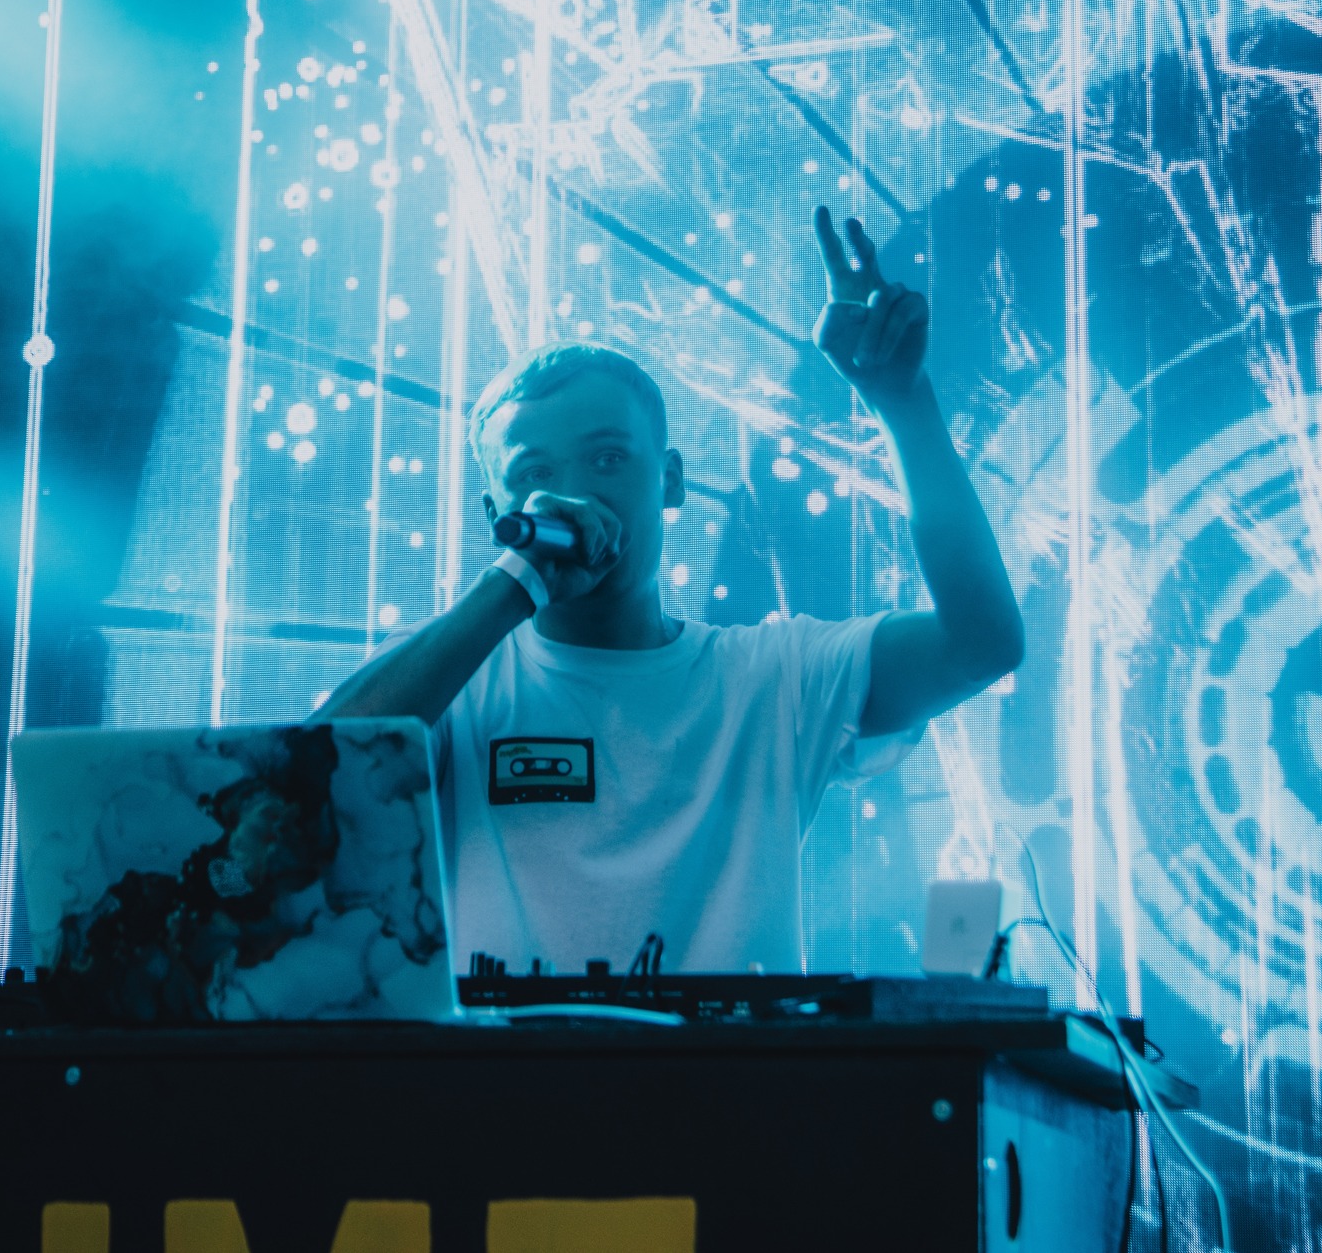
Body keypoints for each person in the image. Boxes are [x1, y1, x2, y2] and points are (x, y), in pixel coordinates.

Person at [315, 207, 1024, 974]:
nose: (575, 494)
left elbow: (981, 643)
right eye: (534, 473)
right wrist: (512, 587)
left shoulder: (774, 678)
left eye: (608, 459)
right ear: (498, 516)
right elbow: (300, 777)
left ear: (671, 480)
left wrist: (903, 402)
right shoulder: (456, 679)